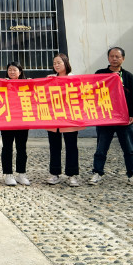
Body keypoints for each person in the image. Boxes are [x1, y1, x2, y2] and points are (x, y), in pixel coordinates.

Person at [90, 47, 133, 187]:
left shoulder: (128, 76)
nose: (114, 59)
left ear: (123, 59)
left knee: (128, 149)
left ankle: (132, 174)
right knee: (101, 148)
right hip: (106, 118)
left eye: (117, 56)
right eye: (112, 56)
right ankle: (97, 172)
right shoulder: (100, 74)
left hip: (124, 119)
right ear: (108, 58)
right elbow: (93, 92)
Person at [45, 53, 83, 187]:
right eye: (54, 63)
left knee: (71, 146)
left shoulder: (74, 79)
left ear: (66, 63)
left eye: (59, 62)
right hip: (53, 118)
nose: (56, 65)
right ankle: (54, 173)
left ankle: (72, 175)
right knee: (54, 146)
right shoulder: (50, 79)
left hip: (69, 118)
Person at [1, 61, 31, 186]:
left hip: (22, 120)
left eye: (15, 70)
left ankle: (21, 174)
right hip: (7, 121)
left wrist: (32, 84)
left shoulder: (27, 84)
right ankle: (8, 174)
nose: (12, 72)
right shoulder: (2, 84)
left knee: (21, 148)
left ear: (20, 72)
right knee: (7, 147)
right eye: (10, 70)